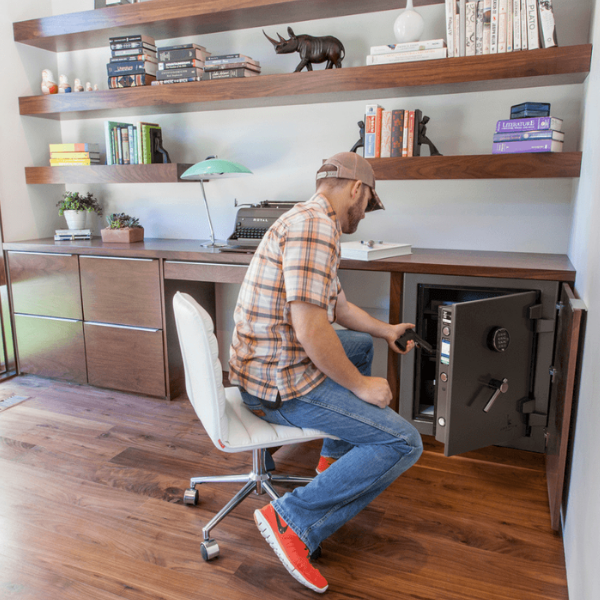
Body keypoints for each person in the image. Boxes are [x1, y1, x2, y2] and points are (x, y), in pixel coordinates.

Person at [229, 152, 423, 593]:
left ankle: (331, 462)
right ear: (358, 188)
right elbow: (311, 326)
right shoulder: (316, 228)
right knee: (403, 441)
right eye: (369, 202)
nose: (366, 213)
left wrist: (386, 330)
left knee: (356, 346)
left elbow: (337, 308)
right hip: (278, 385)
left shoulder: (309, 219)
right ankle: (292, 519)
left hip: (261, 366)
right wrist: (362, 387)